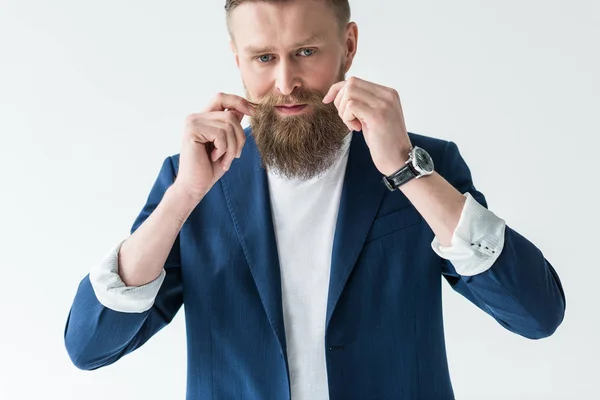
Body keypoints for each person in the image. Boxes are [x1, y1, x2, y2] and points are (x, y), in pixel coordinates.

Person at [64, 0, 566, 399]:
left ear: (348, 46)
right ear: (237, 59)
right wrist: (184, 197)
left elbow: (536, 313)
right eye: (264, 57)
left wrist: (404, 169)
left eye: (306, 52)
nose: (286, 83)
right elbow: (90, 347)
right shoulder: (189, 179)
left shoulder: (423, 163)